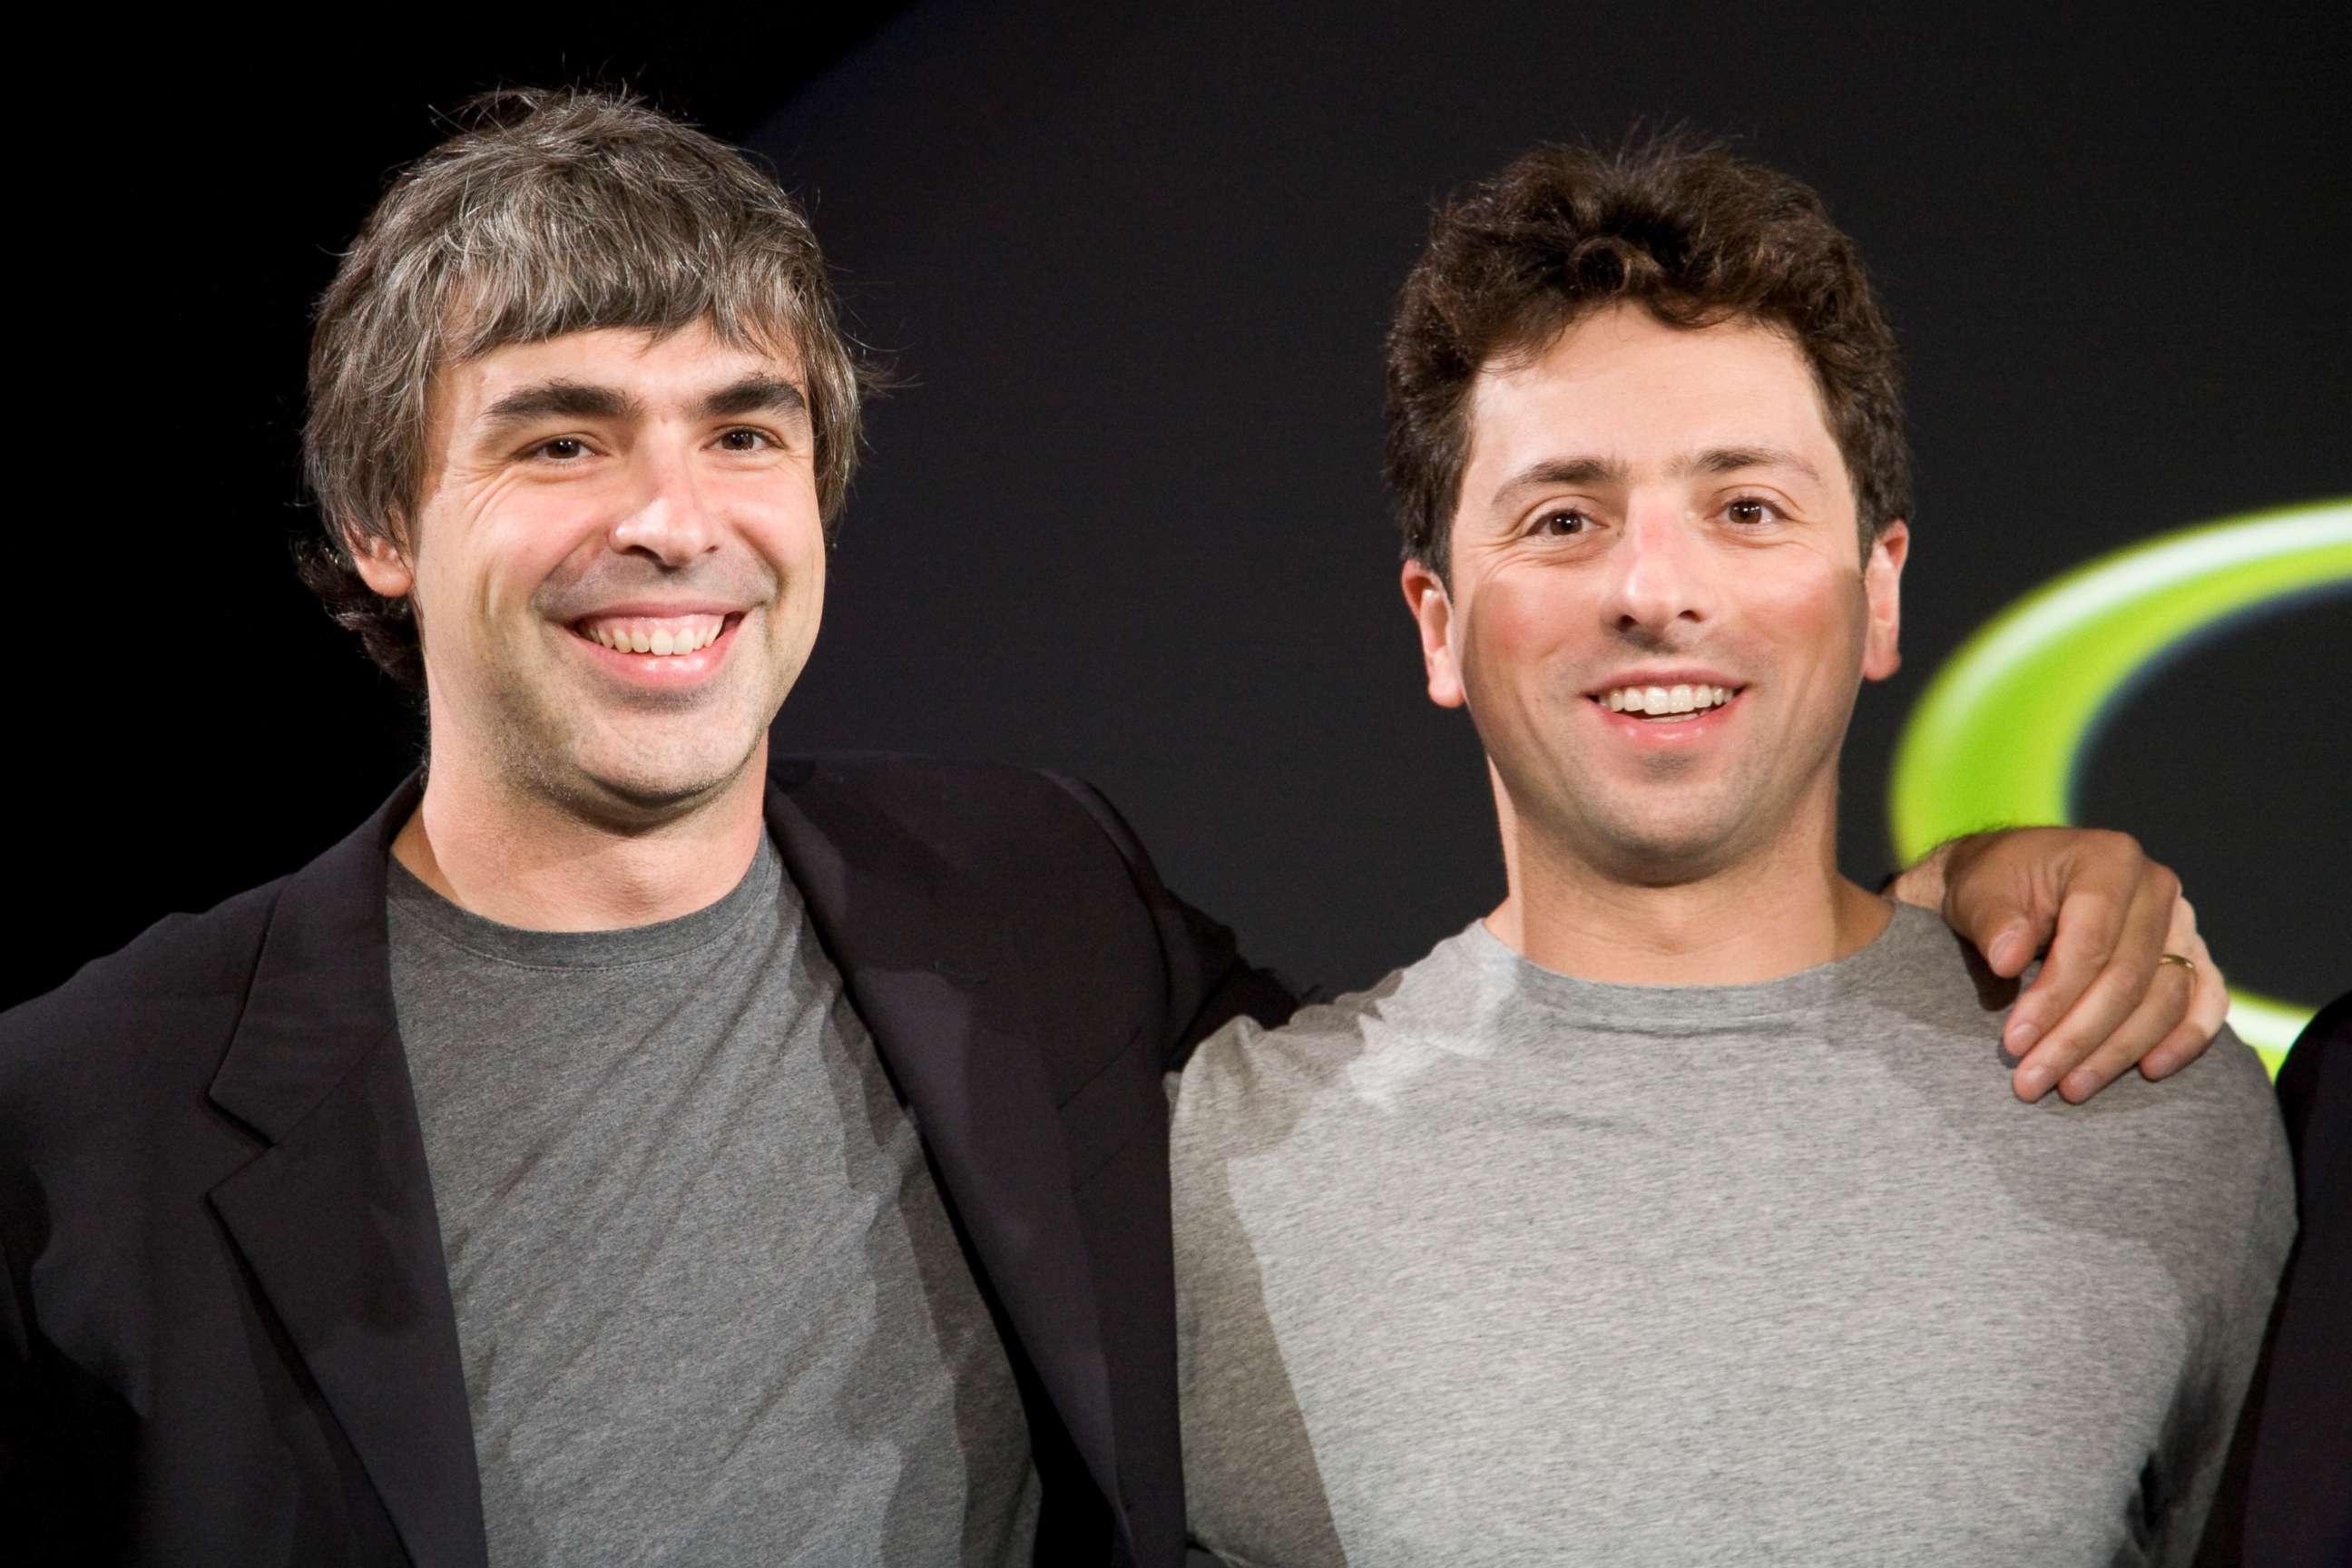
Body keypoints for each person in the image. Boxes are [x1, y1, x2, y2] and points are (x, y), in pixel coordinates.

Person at [0, 94, 2226, 1568]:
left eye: (743, 428)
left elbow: (1625, 1025)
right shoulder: (88, 1106)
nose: (671, 521)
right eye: (562, 441)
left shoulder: (1039, 912)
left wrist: (1980, 887)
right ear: (386, 518)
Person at [1171, 137, 2296, 1568]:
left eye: (1746, 509)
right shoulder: (1223, 1168)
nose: (1656, 590)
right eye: (1563, 520)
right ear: (1438, 623)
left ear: (1879, 597)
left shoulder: (2154, 1109)